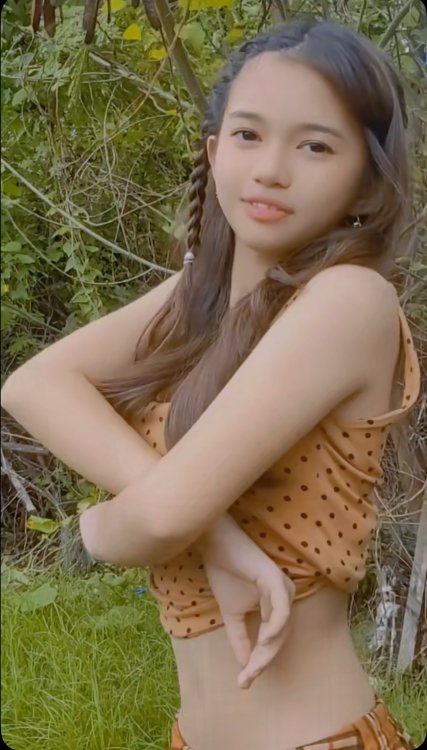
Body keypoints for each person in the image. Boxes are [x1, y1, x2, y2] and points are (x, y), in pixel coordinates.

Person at [1, 17, 421, 750]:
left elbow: (160, 519)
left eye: (315, 146)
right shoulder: (199, 297)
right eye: (248, 134)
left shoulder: (350, 300)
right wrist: (220, 536)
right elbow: (32, 385)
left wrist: (95, 530)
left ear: (364, 181)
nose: (271, 170)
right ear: (214, 150)